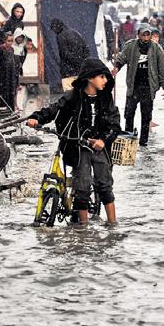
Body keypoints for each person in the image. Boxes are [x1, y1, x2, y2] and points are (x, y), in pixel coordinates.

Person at [26, 58, 121, 224]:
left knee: (105, 186)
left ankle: (113, 224)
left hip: (99, 148)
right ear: (90, 78)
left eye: (106, 77)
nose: (106, 80)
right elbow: (54, 109)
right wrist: (36, 118)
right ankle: (83, 230)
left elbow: (114, 124)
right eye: (102, 77)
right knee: (82, 187)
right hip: (79, 147)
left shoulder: (105, 99)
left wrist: (103, 140)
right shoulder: (73, 97)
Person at [112, 23, 164, 145]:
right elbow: (122, 58)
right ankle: (128, 139)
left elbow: (163, 69)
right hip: (134, 86)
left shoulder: (156, 48)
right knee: (129, 114)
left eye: (147, 35)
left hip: (148, 87)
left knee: (146, 115)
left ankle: (143, 141)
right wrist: (117, 67)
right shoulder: (131, 46)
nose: (145, 38)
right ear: (138, 35)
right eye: (143, 35)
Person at [50, 18, 90, 89]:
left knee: (70, 96)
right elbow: (86, 49)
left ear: (55, 28)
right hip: (80, 71)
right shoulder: (76, 33)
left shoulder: (61, 36)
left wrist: (74, 63)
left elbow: (64, 54)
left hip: (68, 72)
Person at [0, 28, 25, 110]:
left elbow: (13, 62)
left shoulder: (12, 49)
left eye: (11, 41)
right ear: (5, 40)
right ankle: (3, 109)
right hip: (3, 75)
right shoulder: (1, 49)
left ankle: (10, 108)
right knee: (3, 92)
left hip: (11, 75)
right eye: (8, 41)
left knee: (11, 91)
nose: (10, 43)